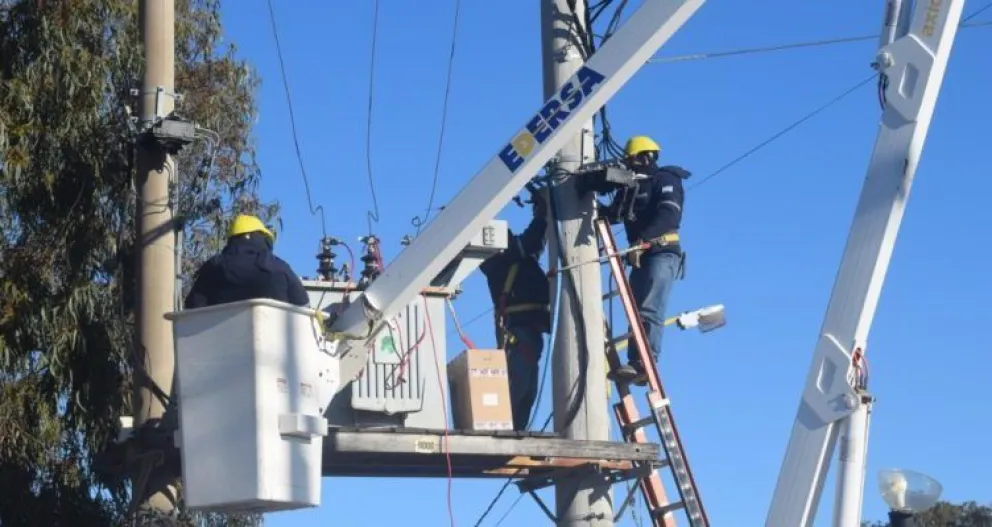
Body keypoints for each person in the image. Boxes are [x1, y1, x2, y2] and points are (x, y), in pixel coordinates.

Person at [612, 135, 688, 386]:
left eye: (633, 159)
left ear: (647, 157)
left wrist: (642, 240)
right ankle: (635, 361)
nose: (629, 165)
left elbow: (669, 214)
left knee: (649, 308)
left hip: (661, 251)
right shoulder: (630, 187)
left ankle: (644, 362)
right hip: (641, 254)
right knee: (635, 311)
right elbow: (614, 213)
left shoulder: (665, 179)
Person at [479, 189, 550, 431]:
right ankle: (507, 429)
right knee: (518, 388)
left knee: (528, 391)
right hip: (518, 331)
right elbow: (528, 242)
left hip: (530, 329)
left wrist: (541, 216)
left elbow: (534, 245)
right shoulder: (495, 262)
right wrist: (541, 216)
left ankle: (517, 430)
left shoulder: (517, 259)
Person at [184, 214, 310, 309]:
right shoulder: (278, 267)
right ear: (262, 238)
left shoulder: (212, 268)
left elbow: (192, 309)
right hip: (275, 335)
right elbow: (303, 305)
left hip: (218, 336)